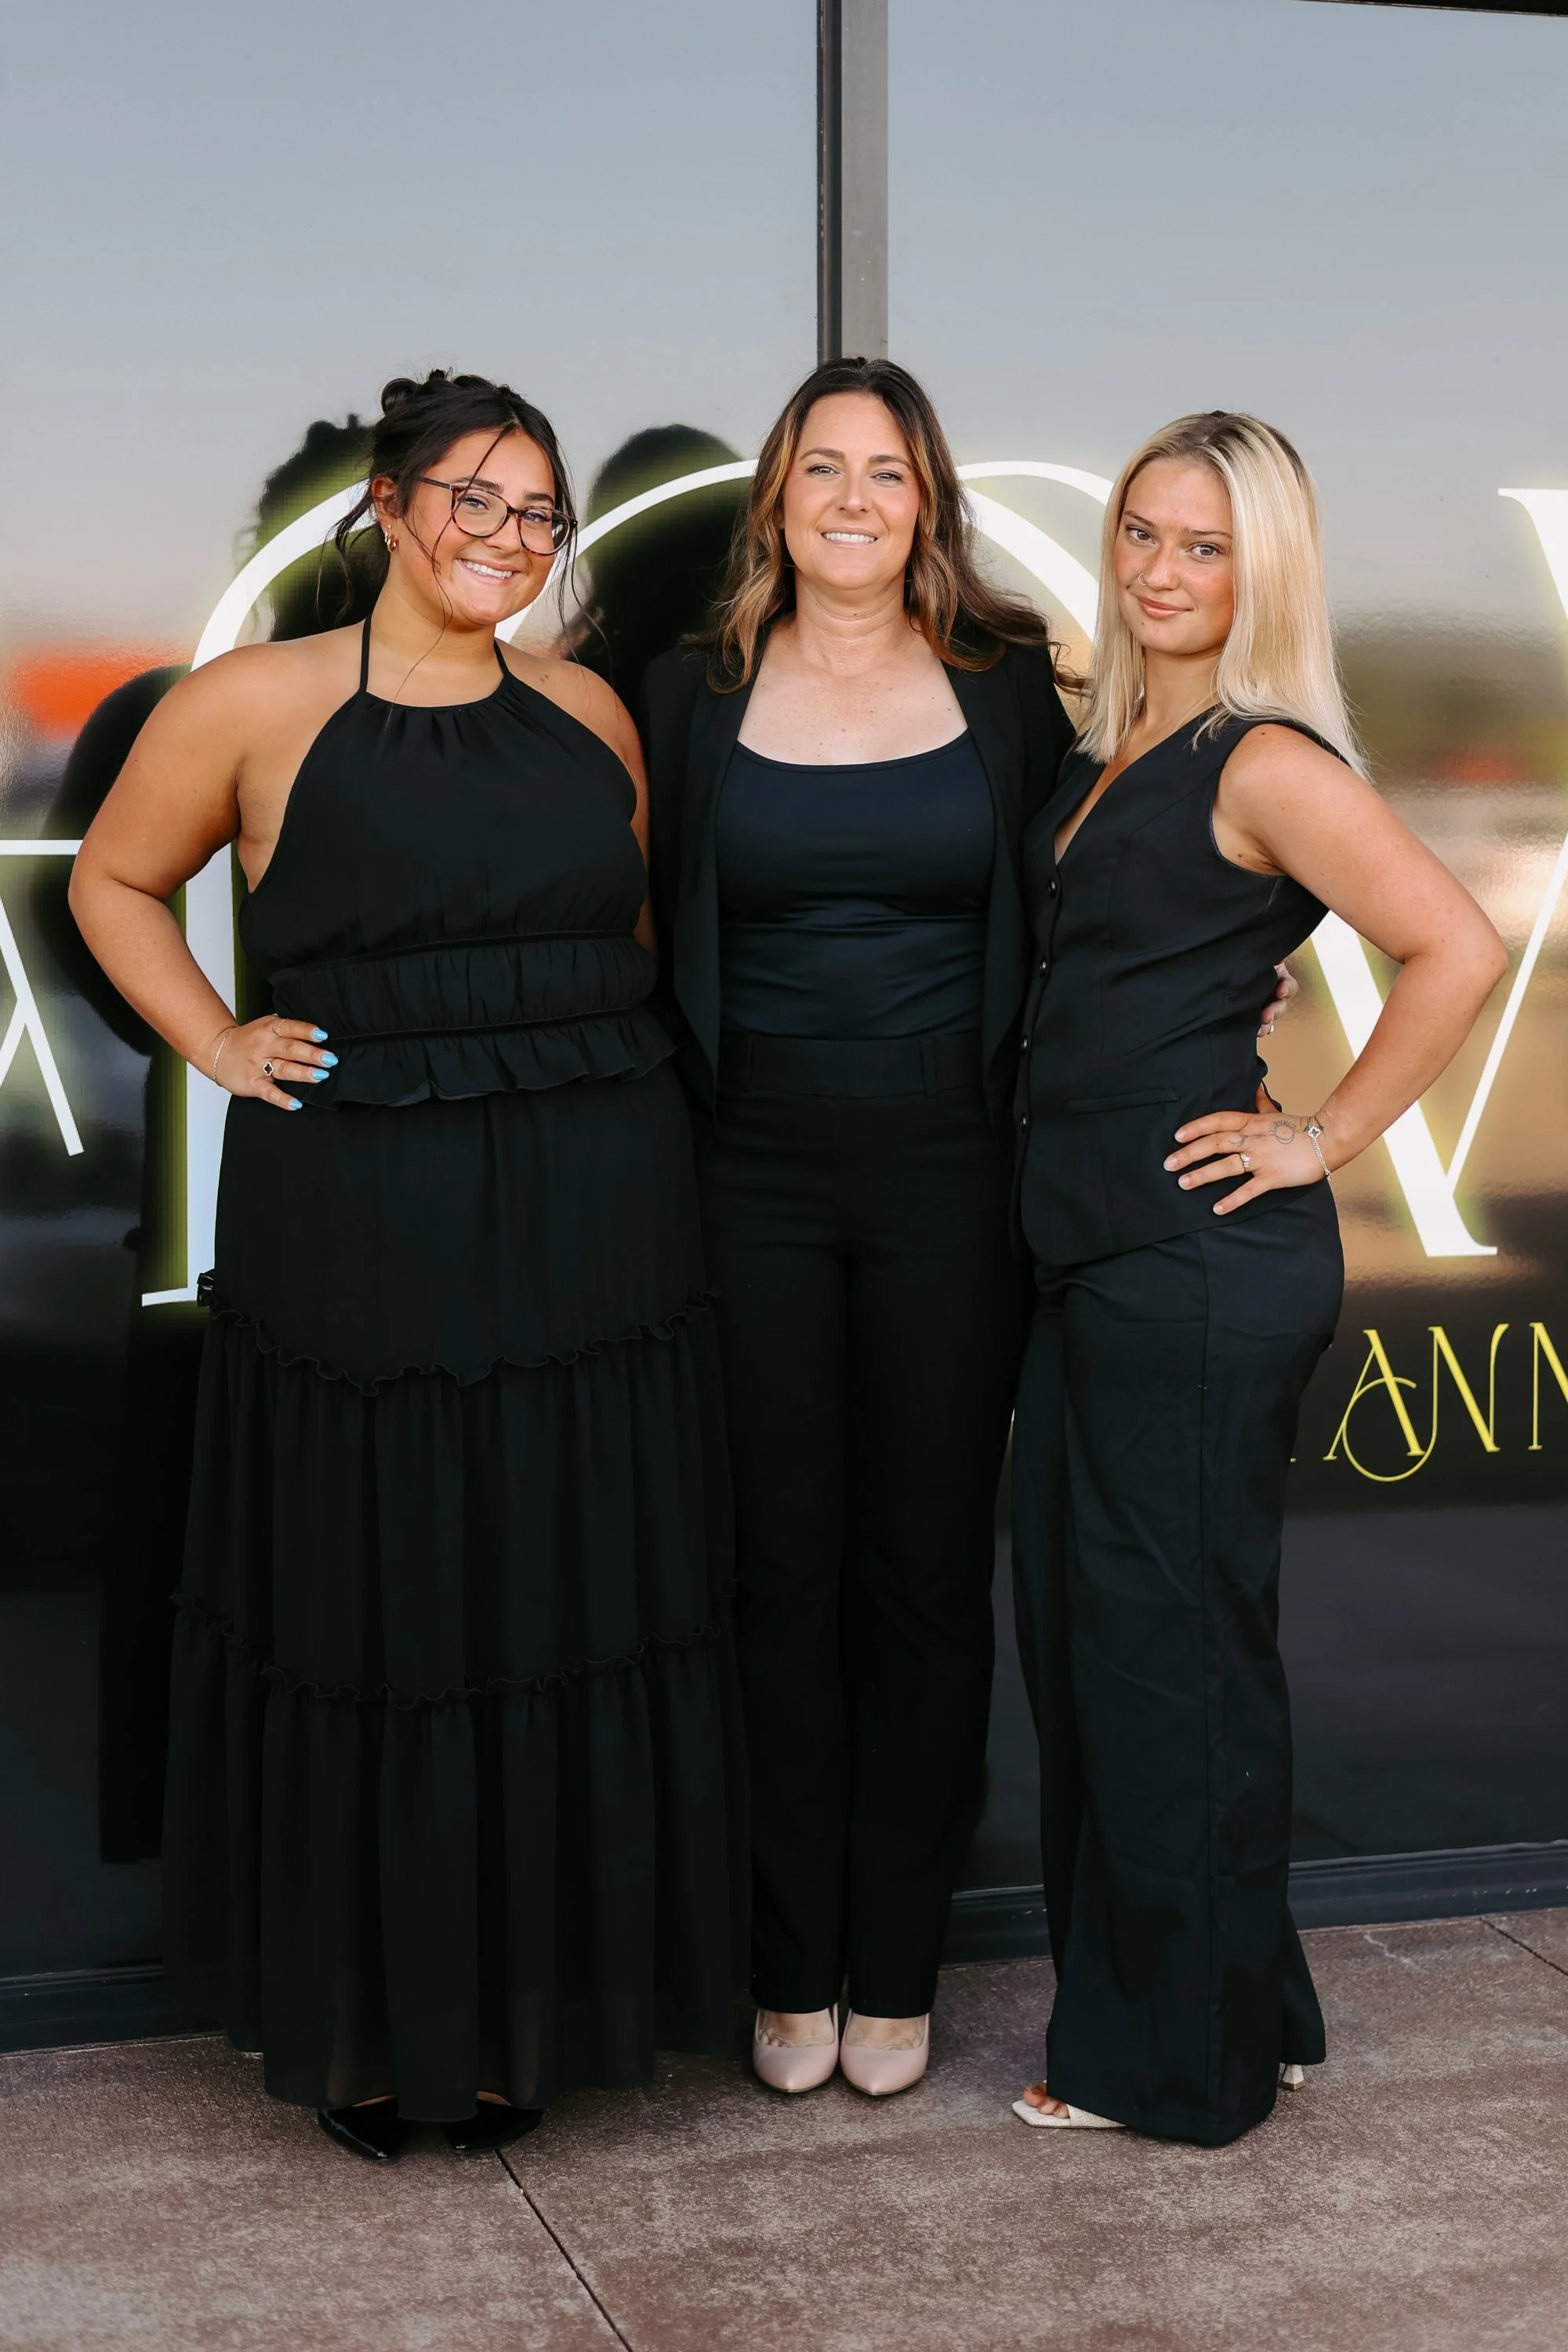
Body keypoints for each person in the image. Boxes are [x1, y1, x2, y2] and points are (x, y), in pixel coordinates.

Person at [70, 368, 744, 2161]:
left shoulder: (593, 709)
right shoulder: (255, 704)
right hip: (362, 1216)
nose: (508, 541)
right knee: (384, 1594)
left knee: (556, 1587)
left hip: (596, 1214)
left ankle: (528, 2009)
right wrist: (218, 1045)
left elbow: (637, 947)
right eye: (476, 501)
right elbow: (114, 886)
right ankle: (379, 2023)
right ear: (388, 504)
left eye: (539, 515)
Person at [1008, 411, 1505, 2143]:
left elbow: (1456, 942)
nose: (1157, 568)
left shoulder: (1262, 756)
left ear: (1263, 570)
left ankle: (1180, 2066)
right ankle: (1254, 2003)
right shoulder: (1111, 744)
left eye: (1203, 547)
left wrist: (1323, 1137)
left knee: (1160, 1662)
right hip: (1098, 1261)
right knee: (1124, 1651)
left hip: (1194, 1265)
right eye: (1142, 532)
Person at [642, 356, 1077, 2097]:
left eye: (883, 474)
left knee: (917, 1573)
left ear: (927, 504)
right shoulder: (682, 690)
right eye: (819, 468)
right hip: (740, 1170)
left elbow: (1111, 868)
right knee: (773, 1570)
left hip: (947, 1175)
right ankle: (785, 1954)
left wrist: (1232, 965)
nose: (848, 499)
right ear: (775, 496)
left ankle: (893, 1957)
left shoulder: (1012, 685)